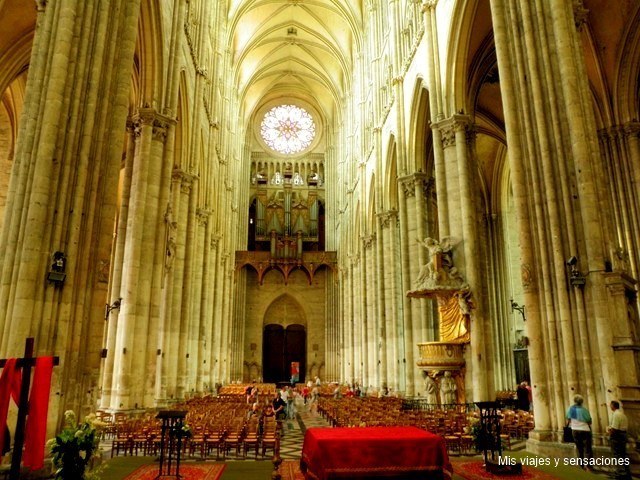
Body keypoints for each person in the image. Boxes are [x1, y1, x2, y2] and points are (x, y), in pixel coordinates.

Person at [565, 394, 593, 471]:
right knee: (587, 448)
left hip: (575, 430)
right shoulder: (584, 410)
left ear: (574, 401)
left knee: (579, 448)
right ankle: (589, 466)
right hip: (585, 430)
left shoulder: (571, 409)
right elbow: (589, 421)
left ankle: (581, 466)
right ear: (582, 402)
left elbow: (568, 419)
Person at [607, 400, 631, 479]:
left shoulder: (616, 415)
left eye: (610, 405)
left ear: (613, 406)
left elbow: (614, 428)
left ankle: (619, 473)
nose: (610, 406)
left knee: (617, 455)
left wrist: (609, 432)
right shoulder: (622, 414)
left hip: (617, 436)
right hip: (623, 434)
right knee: (623, 454)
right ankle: (627, 472)